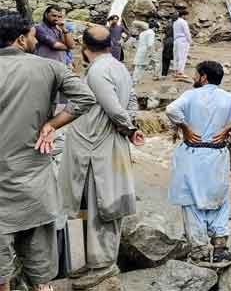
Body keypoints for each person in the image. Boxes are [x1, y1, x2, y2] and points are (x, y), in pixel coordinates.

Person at [0, 11, 95, 291]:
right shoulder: (49, 68)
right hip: (34, 187)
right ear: (20, 38)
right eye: (32, 35)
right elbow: (85, 99)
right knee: (41, 273)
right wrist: (52, 125)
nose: (34, 39)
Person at [59, 26, 145, 289]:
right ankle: (90, 262)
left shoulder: (97, 71)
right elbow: (130, 103)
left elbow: (114, 108)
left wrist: (128, 128)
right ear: (110, 45)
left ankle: (100, 264)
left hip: (96, 147)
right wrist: (132, 127)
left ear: (85, 48)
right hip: (108, 144)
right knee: (103, 203)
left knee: (100, 205)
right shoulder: (119, 67)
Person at [165, 61, 231, 268]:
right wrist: (230, 127)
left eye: (196, 74)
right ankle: (221, 246)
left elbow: (171, 110)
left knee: (191, 199)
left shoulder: (190, 95)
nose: (194, 77)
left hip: (193, 154)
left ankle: (200, 251)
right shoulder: (227, 97)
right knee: (219, 197)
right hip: (217, 154)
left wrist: (185, 126)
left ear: (204, 77)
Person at [133, 20, 159, 84]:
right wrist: (151, 53)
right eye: (156, 28)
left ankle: (136, 80)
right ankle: (155, 76)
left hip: (140, 50)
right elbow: (150, 44)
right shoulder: (151, 33)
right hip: (146, 51)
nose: (156, 30)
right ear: (154, 27)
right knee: (142, 67)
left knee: (139, 66)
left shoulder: (143, 33)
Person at [173, 10, 193, 80]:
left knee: (176, 56)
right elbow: (187, 32)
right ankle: (180, 72)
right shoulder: (183, 22)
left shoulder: (175, 22)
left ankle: (176, 71)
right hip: (183, 40)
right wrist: (190, 41)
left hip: (176, 40)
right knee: (182, 56)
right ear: (184, 15)